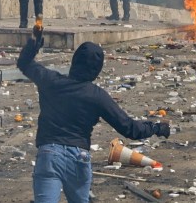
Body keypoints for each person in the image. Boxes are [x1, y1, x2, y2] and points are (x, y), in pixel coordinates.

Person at [17, 36, 171, 203]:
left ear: (74, 61)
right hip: (78, 157)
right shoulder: (97, 96)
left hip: (49, 155)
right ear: (97, 70)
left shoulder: (51, 81)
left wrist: (34, 45)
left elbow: (24, 63)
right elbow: (129, 128)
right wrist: (156, 128)